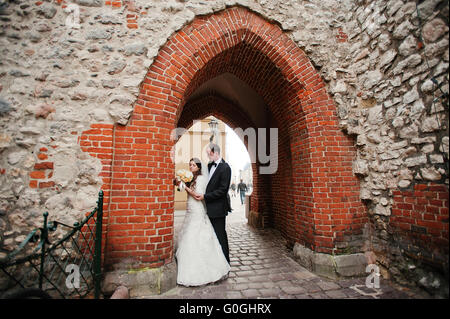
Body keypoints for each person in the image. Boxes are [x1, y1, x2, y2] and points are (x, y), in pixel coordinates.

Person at [174, 158, 230, 286]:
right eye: (190, 164)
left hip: (197, 208)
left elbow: (198, 195)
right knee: (187, 232)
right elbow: (184, 190)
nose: (191, 166)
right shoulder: (192, 178)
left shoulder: (200, 179)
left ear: (199, 167)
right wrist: (180, 184)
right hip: (190, 208)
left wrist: (185, 187)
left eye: (194, 165)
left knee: (194, 234)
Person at [193, 143, 231, 264]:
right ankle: (214, 261)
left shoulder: (225, 168)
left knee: (220, 235)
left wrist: (205, 196)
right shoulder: (209, 166)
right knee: (210, 236)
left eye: (209, 153)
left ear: (216, 153)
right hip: (207, 208)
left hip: (218, 208)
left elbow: (222, 190)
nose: (207, 156)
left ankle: (225, 262)